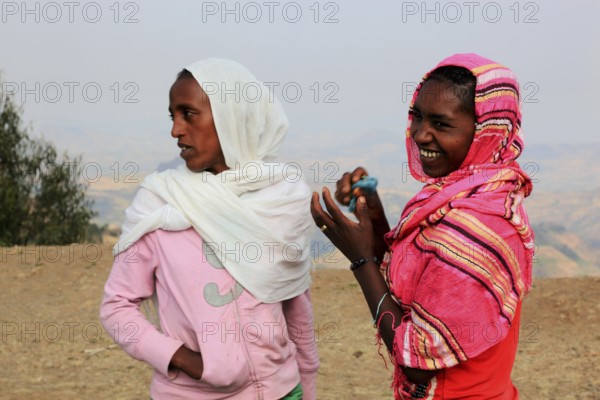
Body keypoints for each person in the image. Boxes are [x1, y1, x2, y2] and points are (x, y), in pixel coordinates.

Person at [311, 53, 534, 399]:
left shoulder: (472, 222)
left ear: (485, 132)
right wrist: (373, 213)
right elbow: (422, 283)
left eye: (441, 124)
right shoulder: (482, 193)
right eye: (417, 116)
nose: (419, 134)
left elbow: (416, 360)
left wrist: (360, 262)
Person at [100, 58, 318, 400]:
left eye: (188, 113)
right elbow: (116, 308)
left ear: (233, 117)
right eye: (172, 116)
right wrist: (183, 360)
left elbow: (295, 302)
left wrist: (307, 380)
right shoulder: (160, 204)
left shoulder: (280, 198)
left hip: (284, 391)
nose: (175, 130)